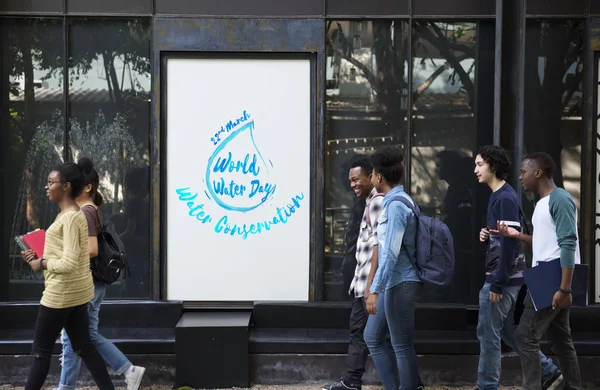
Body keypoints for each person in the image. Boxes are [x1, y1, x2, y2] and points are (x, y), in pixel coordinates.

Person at [474, 146, 562, 390]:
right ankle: (549, 372)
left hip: (502, 279)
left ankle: (486, 386)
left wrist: (498, 282)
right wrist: (488, 233)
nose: (475, 170)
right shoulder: (501, 195)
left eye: (480, 164)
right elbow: (504, 236)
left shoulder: (504, 197)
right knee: (503, 331)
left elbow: (511, 244)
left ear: (492, 166)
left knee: (488, 335)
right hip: (505, 278)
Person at [21, 162, 115, 390]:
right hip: (75, 294)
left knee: (40, 354)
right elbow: (69, 253)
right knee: (85, 347)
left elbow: (70, 262)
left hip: (60, 295)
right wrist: (40, 253)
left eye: (51, 182)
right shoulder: (69, 214)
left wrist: (41, 263)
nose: (46, 186)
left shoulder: (72, 217)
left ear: (66, 186)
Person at [56, 158, 146, 390]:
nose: (69, 187)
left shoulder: (86, 212)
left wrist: (63, 256)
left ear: (87, 187)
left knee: (71, 338)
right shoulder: (91, 209)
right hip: (94, 283)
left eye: (73, 184)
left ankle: (65, 387)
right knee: (88, 335)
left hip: (87, 283)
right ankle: (129, 370)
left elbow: (93, 249)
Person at [496, 152, 581, 390]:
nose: (520, 177)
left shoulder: (560, 199)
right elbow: (547, 240)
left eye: (524, 172)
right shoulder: (543, 202)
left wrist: (564, 288)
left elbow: (568, 243)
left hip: (552, 277)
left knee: (525, 336)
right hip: (549, 276)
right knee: (561, 340)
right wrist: (516, 235)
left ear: (538, 172)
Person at [322, 156, 383, 390]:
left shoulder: (376, 203)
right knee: (374, 334)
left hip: (369, 284)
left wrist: (370, 286)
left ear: (372, 176)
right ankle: (353, 380)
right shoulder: (365, 203)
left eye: (357, 179)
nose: (353, 185)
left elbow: (379, 246)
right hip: (363, 282)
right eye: (350, 180)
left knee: (363, 332)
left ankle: (352, 381)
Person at [363, 146, 422, 390]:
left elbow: (390, 254)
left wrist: (374, 289)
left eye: (372, 174)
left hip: (400, 282)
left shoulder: (396, 205)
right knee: (372, 336)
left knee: (402, 345)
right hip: (394, 281)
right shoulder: (395, 201)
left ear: (378, 177)